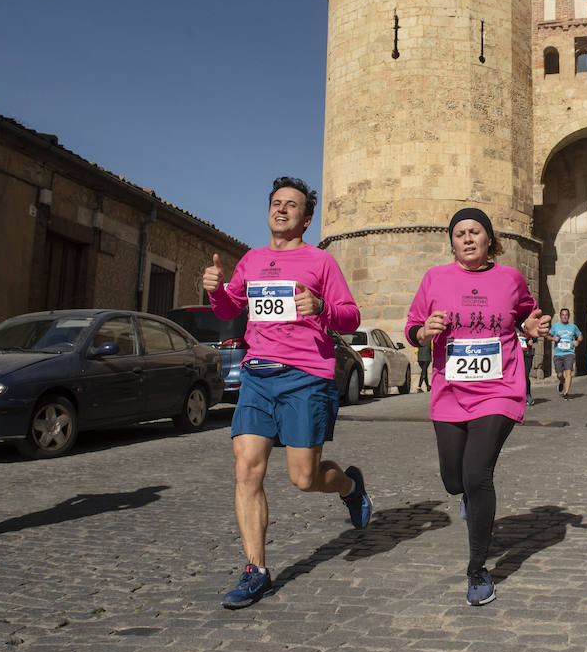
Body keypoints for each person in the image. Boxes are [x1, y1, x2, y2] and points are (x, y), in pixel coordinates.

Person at [202, 177, 370, 610]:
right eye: (276, 203)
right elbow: (227, 309)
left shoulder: (321, 262)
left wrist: (323, 308)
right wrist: (214, 289)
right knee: (246, 470)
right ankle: (256, 570)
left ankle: (349, 486)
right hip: (258, 375)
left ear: (306, 219)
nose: (281, 210)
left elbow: (350, 317)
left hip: (305, 377)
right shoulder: (252, 260)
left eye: (291, 205)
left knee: (303, 478)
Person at [405, 207, 546, 606]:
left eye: (475, 232)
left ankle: (478, 570)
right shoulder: (435, 278)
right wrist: (422, 331)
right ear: (452, 241)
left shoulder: (510, 279)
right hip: (450, 391)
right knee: (454, 480)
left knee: (477, 473)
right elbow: (412, 326)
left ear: (489, 240)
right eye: (460, 233)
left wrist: (530, 326)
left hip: (498, 390)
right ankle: (466, 495)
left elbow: (526, 314)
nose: (467, 238)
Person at [548, 307, 582, 398]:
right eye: (563, 315)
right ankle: (561, 381)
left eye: (566, 315)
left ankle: (566, 392)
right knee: (559, 374)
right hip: (558, 354)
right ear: (560, 316)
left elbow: (580, 335)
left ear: (568, 316)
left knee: (568, 373)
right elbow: (547, 336)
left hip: (569, 353)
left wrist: (577, 341)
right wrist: (553, 338)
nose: (564, 317)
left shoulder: (573, 327)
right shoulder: (555, 326)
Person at [519, 329, 534, 406]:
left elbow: (535, 335)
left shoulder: (529, 325)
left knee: (525, 375)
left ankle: (528, 394)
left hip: (527, 354)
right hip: (516, 353)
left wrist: (533, 341)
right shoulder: (513, 325)